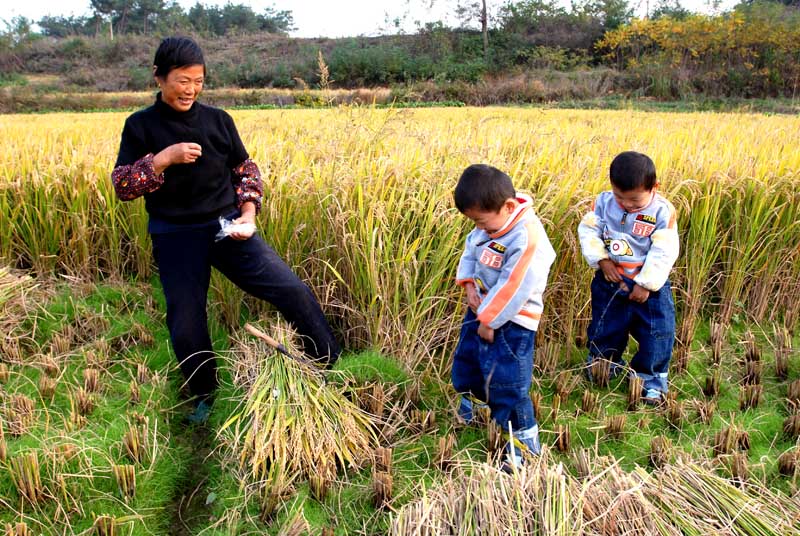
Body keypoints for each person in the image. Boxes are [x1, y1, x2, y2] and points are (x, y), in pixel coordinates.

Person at [111, 36, 340, 423]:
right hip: (174, 234)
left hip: (226, 226)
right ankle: (206, 396)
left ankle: (330, 366)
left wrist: (248, 216)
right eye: (183, 80)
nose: (191, 89)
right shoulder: (140, 127)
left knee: (290, 288)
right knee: (185, 321)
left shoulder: (218, 120)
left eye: (198, 80)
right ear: (159, 77)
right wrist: (163, 160)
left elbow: (245, 170)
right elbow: (123, 186)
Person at [452, 164, 556, 467]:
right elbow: (471, 250)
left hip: (512, 320)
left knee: (508, 379)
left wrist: (489, 320)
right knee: (470, 360)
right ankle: (479, 406)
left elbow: (516, 285)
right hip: (482, 310)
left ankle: (523, 441)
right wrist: (469, 283)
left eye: (482, 222)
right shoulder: (489, 223)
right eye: (475, 222)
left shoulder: (527, 237)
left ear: (509, 206)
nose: (479, 228)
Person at [578, 151, 679, 405]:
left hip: (648, 288)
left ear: (654, 187)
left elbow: (664, 250)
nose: (626, 205)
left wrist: (646, 284)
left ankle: (651, 380)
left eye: (634, 200)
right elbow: (589, 230)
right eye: (620, 197)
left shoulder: (662, 212)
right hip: (610, 281)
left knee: (655, 333)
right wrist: (601, 259)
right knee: (605, 326)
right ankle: (604, 365)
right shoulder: (602, 202)